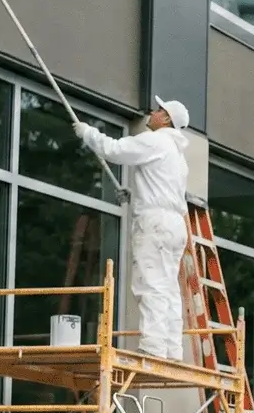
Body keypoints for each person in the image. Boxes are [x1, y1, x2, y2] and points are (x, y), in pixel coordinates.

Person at [72, 96, 192, 361]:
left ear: (167, 119)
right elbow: (161, 188)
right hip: (174, 225)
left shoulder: (156, 140)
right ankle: (172, 349)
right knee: (168, 288)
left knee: (151, 282)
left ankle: (153, 347)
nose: (153, 112)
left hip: (155, 223)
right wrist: (135, 195)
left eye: (159, 110)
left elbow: (114, 150)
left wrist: (88, 133)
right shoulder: (177, 156)